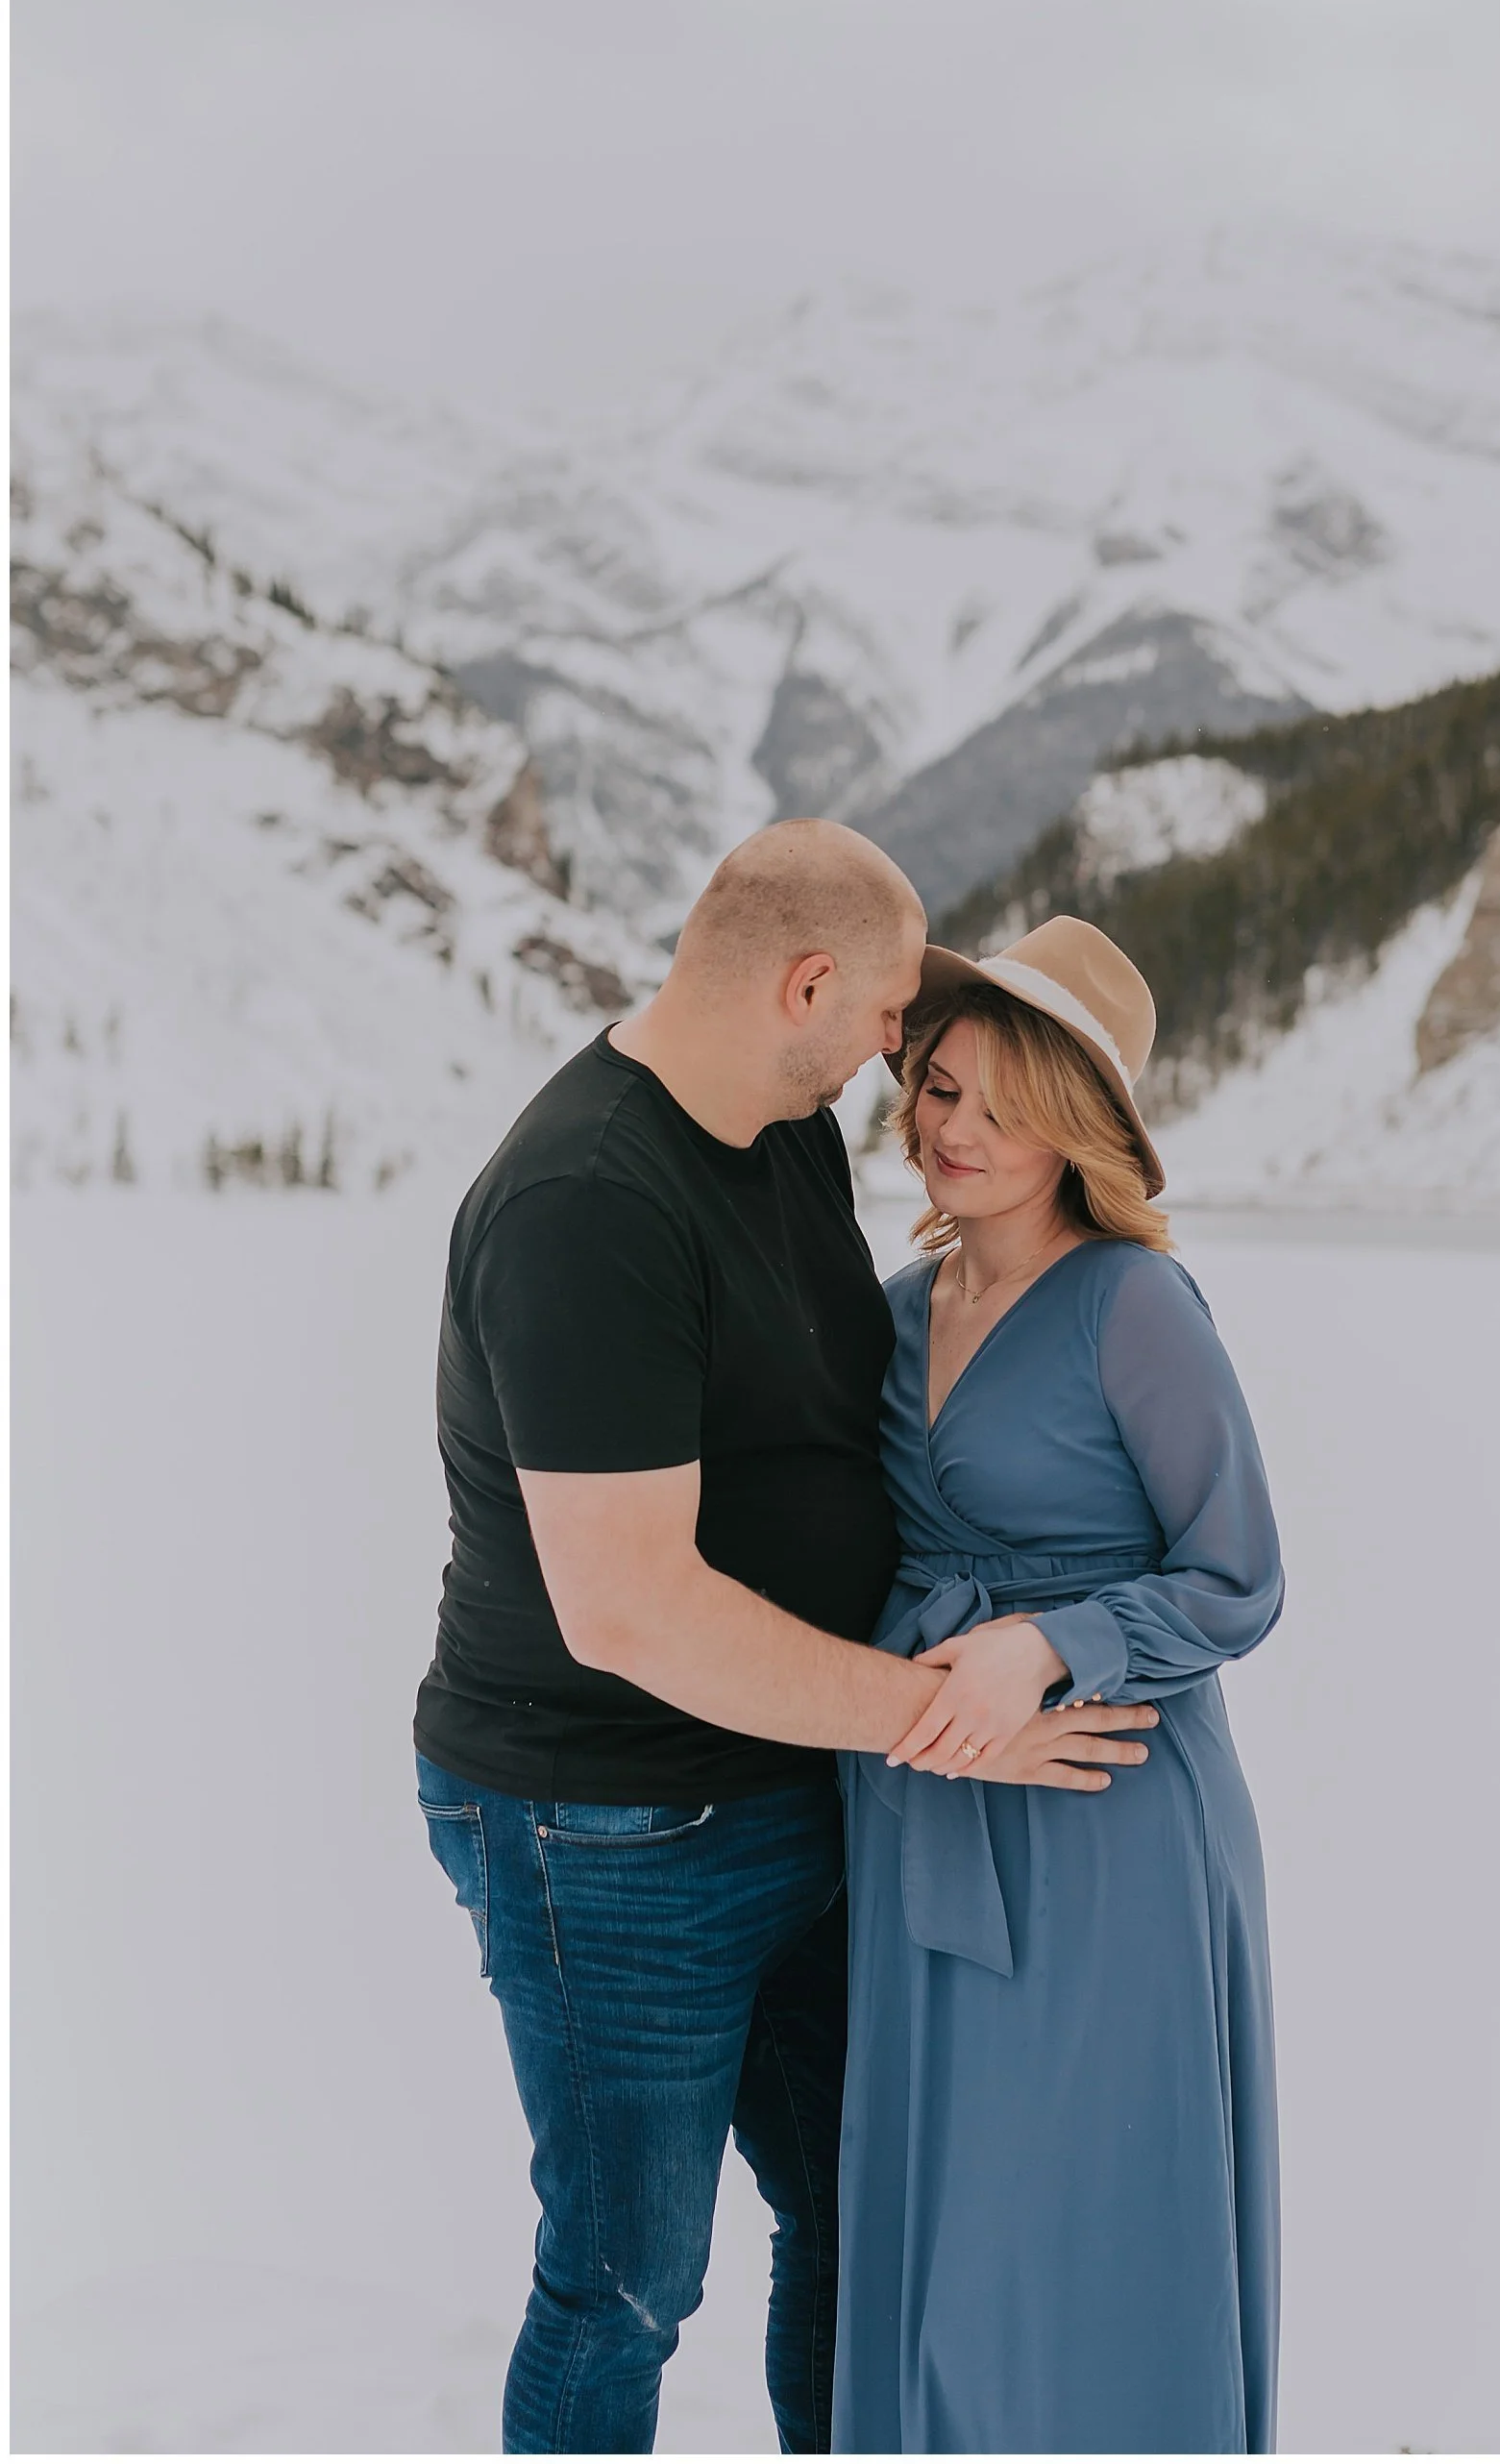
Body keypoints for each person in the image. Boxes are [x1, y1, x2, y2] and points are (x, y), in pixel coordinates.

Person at [412, 821, 1159, 2456]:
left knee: (856, 2207)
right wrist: (945, 1714)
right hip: (604, 1822)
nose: (902, 1059)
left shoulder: (780, 1133)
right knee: (624, 2279)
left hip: (801, 1787)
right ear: (807, 984)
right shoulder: (584, 1202)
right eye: (892, 1016)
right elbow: (628, 1610)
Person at [834, 916, 1285, 2455]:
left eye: (1005, 1104)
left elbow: (1239, 1577)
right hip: (926, 1797)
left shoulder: (1134, 1307)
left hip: (1108, 1810)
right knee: (950, 2223)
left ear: (1079, 1129)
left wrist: (1048, 1644)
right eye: (943, 1088)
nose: (957, 1131)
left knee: (1087, 2206)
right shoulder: (896, 1314)